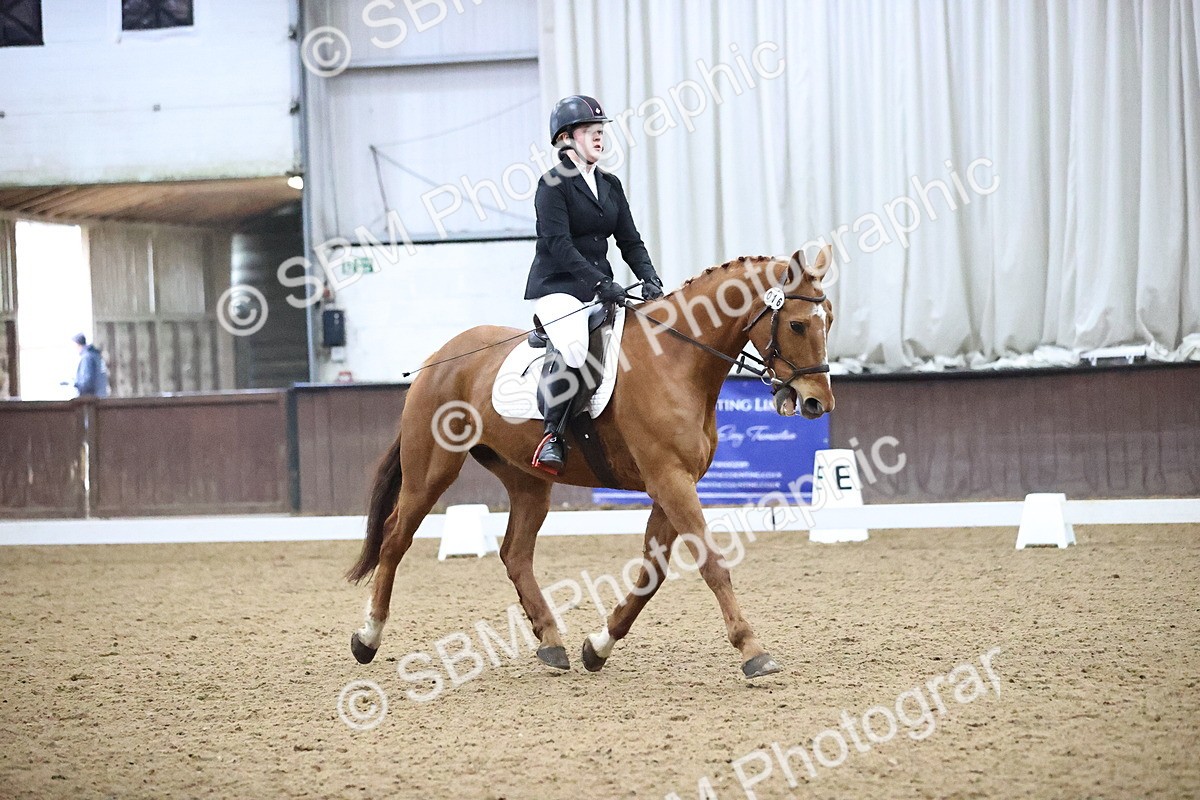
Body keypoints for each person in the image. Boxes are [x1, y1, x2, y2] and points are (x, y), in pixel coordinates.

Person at [524, 94, 665, 475]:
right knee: (573, 350)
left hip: (602, 289)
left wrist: (649, 277)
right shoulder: (552, 184)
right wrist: (602, 282)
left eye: (601, 131)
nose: (600, 138)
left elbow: (629, 240)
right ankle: (551, 435)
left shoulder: (610, 184)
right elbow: (559, 244)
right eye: (591, 131)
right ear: (566, 138)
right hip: (559, 288)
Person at [72, 333, 109, 398]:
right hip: (102, 397)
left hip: (92, 400)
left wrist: (74, 384)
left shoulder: (87, 358)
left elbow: (86, 383)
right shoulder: (97, 356)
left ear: (77, 344)